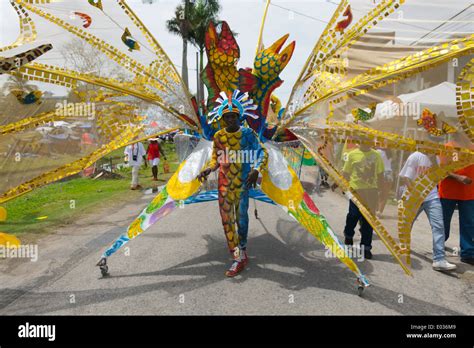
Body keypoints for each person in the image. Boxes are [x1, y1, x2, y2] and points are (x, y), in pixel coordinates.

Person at [197, 98, 267, 277]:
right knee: (227, 220)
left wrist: (256, 169)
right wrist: (208, 168)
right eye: (227, 117)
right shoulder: (219, 136)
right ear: (222, 119)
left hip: (242, 185)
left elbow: (261, 152)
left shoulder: (249, 134)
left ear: (239, 117)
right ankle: (237, 256)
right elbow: (217, 159)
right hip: (224, 185)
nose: (230, 120)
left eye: (233, 116)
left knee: (241, 218)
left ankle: (242, 249)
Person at [399, 151, 456, 271]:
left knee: (439, 226)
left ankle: (439, 259)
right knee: (407, 224)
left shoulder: (436, 158)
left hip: (432, 197)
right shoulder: (415, 156)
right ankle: (403, 248)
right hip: (413, 197)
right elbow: (405, 177)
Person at [342, 143, 384, 259]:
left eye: (368, 139)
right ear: (360, 140)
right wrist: (342, 185)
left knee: (368, 220)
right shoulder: (352, 154)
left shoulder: (377, 155)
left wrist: (380, 191)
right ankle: (348, 234)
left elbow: (381, 174)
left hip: (371, 192)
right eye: (364, 139)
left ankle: (365, 248)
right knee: (353, 215)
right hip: (356, 191)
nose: (366, 141)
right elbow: (346, 173)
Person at [438, 138, 474, 265]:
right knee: (443, 221)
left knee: (469, 223)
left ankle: (468, 253)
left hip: (469, 193)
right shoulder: (447, 147)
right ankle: (438, 248)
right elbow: (442, 170)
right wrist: (459, 177)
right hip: (448, 192)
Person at [376, 147, 393, 216]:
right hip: (389, 174)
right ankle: (380, 212)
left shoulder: (377, 151)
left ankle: (375, 209)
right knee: (385, 195)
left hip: (381, 173)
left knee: (377, 192)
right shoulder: (390, 152)